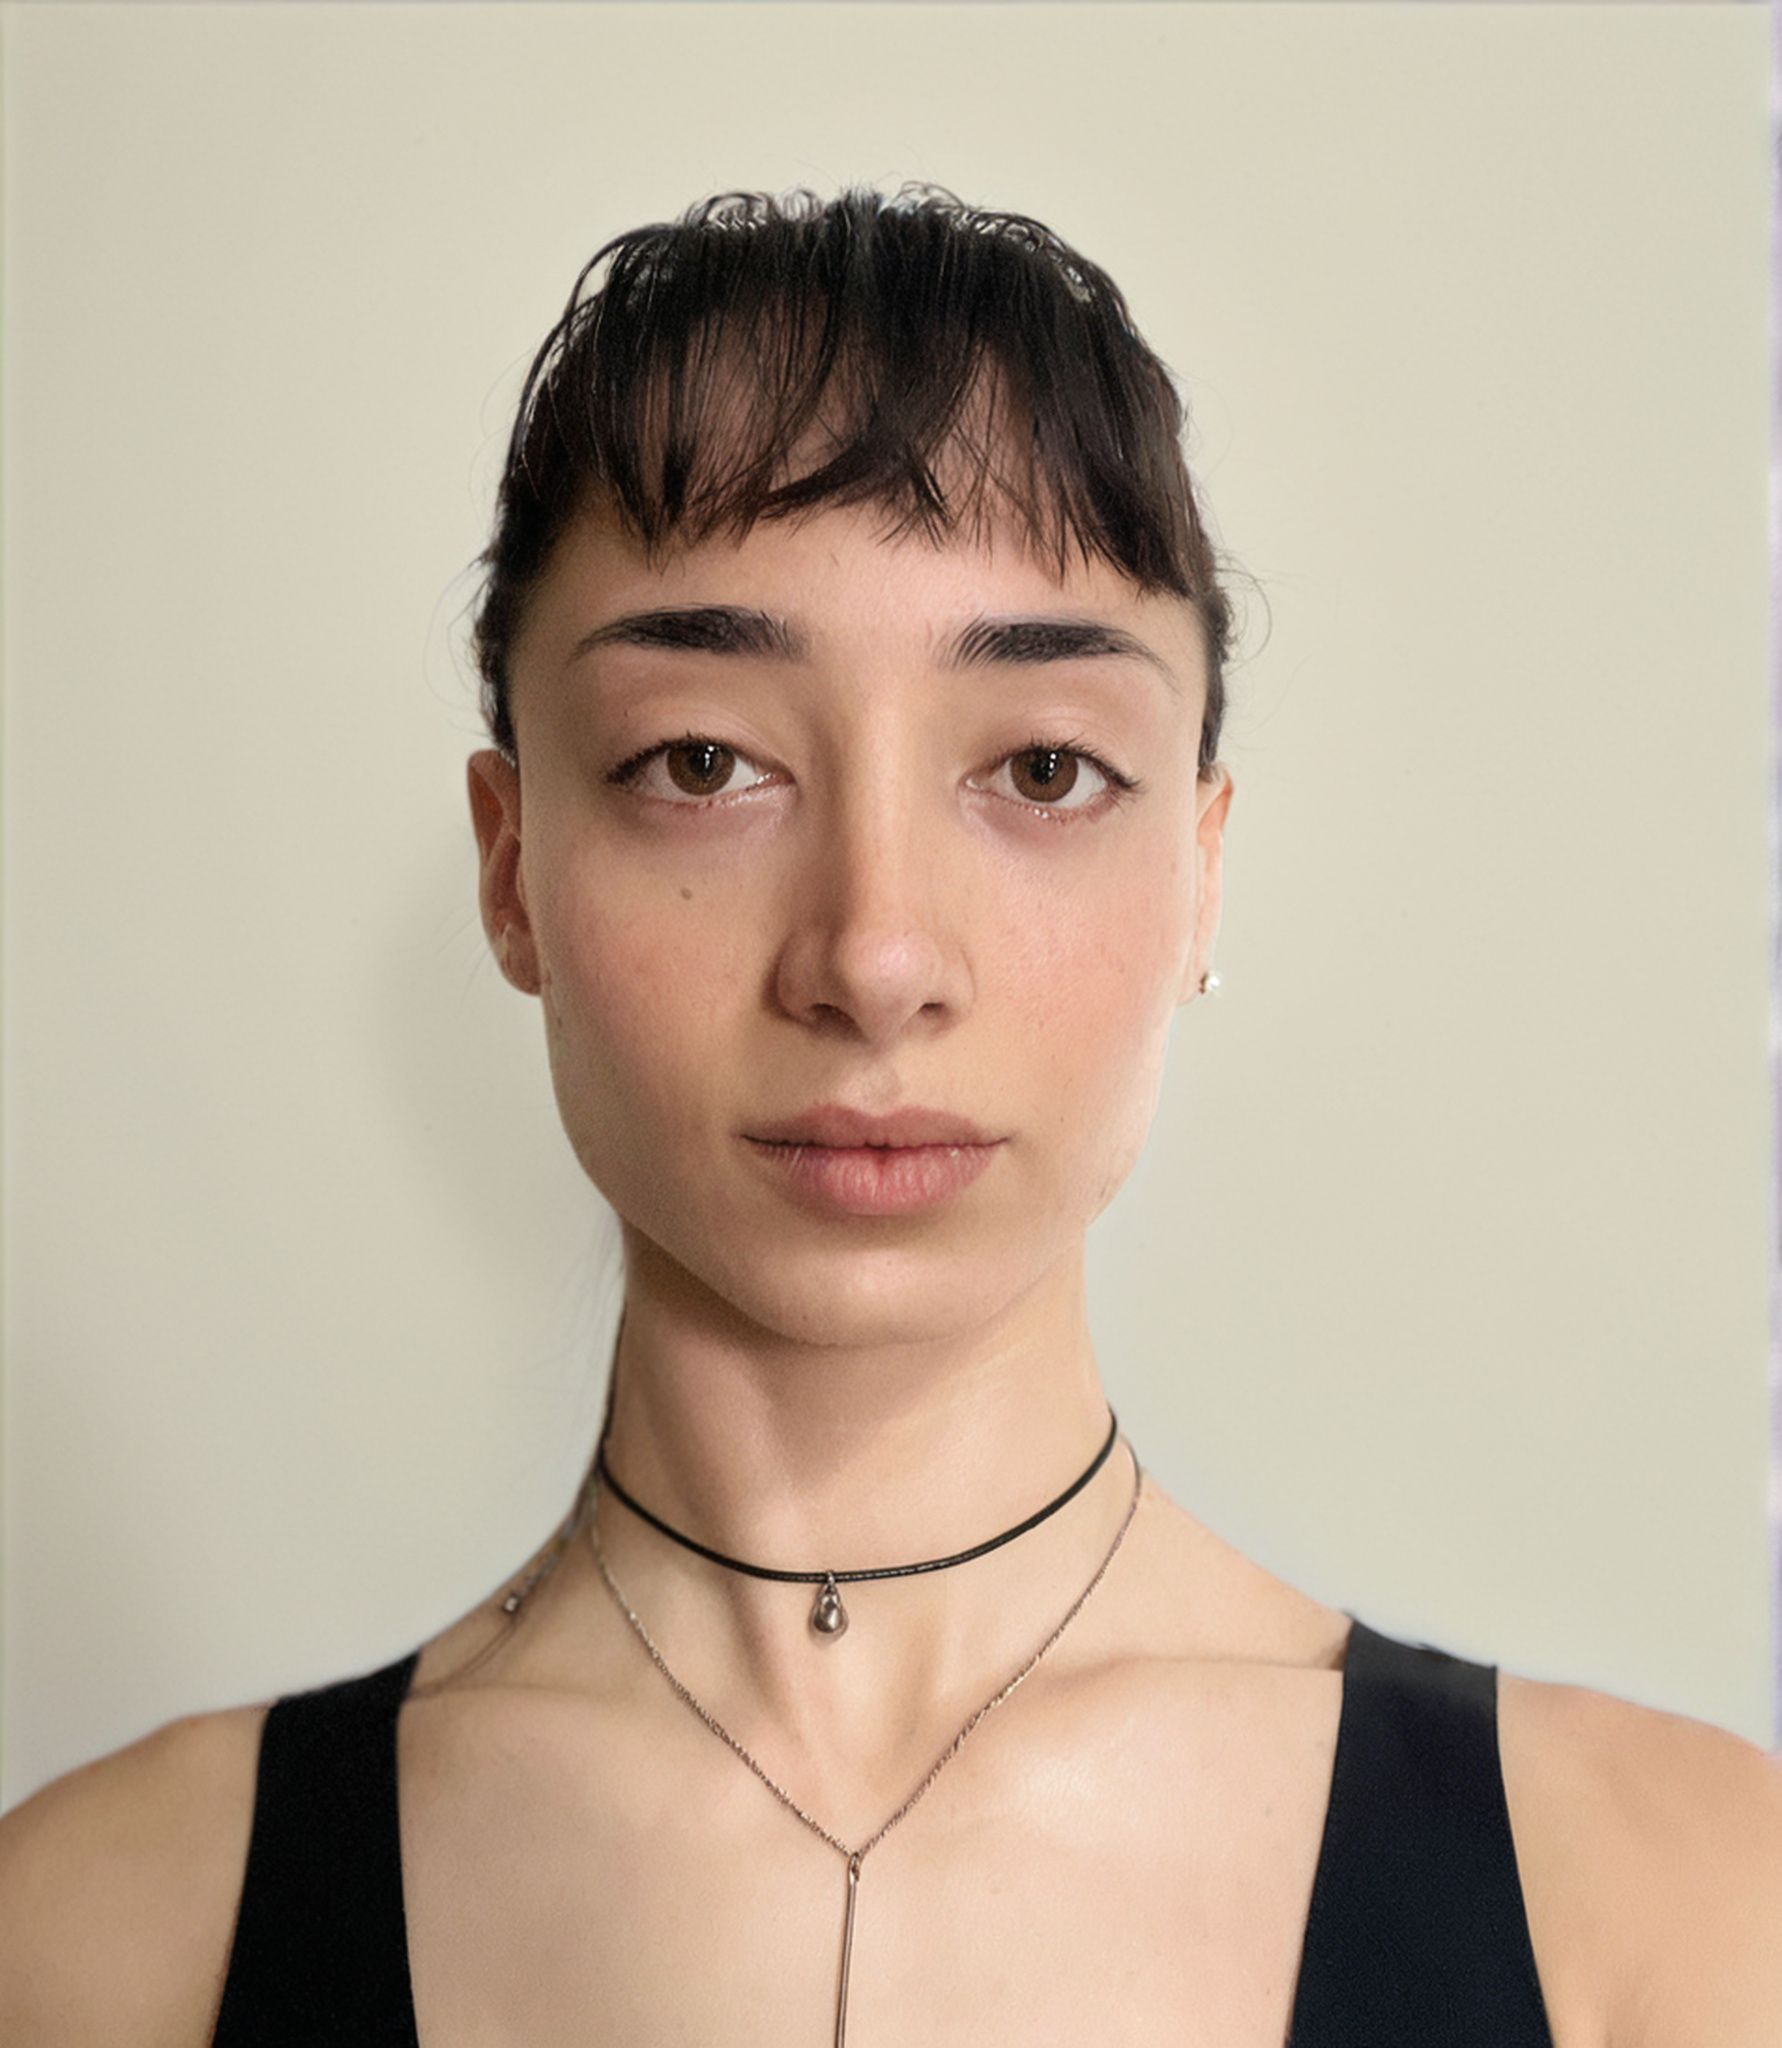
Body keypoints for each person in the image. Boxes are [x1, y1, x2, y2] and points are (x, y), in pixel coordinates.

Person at [2, 180, 1778, 2048]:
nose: (872, 954)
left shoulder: (1672, 1914)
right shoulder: (102, 1947)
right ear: (512, 866)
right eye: (703, 762)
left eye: (1039, 767)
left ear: (1202, 877)